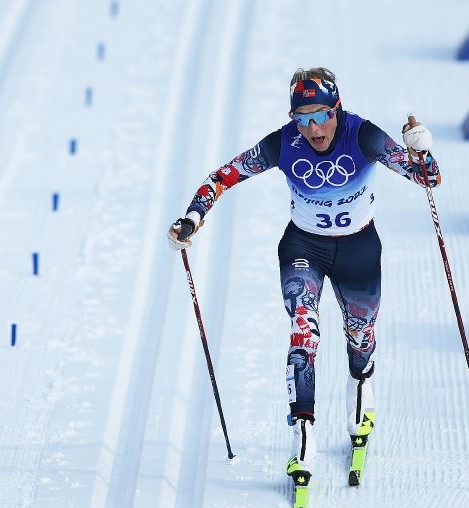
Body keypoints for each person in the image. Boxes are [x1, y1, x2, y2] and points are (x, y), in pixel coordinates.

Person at [168, 67, 440, 485]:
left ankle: (360, 402)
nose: (313, 128)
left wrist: (421, 151)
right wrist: (192, 217)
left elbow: (428, 178)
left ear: (337, 108)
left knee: (360, 336)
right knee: (303, 334)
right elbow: (225, 175)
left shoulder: (363, 135)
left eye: (321, 116)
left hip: (358, 249)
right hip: (304, 249)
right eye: (303, 118)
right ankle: (303, 437)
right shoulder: (284, 143)